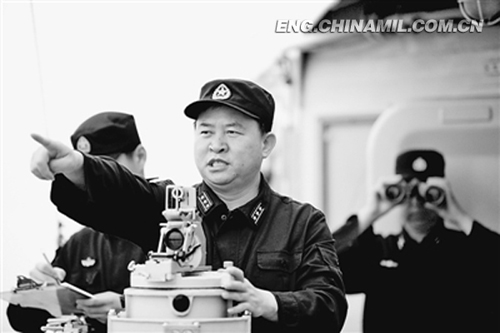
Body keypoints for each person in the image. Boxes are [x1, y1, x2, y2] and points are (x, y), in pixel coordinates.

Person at [28, 79, 348, 332]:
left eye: (233, 132)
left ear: (266, 144)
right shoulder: (167, 210)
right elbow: (122, 192)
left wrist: (269, 302)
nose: (216, 144)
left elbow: (330, 305)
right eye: (205, 131)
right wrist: (76, 165)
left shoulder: (301, 223)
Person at [8, 112, 154, 333]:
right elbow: (21, 320)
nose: (97, 177)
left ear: (140, 156)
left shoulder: (172, 233)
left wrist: (127, 307)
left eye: (106, 164)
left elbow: (198, 310)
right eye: (87, 169)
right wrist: (40, 292)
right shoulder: (80, 243)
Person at [332, 149, 500, 332]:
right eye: (409, 194)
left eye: (427, 194)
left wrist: (459, 215)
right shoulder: (378, 250)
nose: (416, 204)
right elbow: (321, 269)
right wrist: (370, 213)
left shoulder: (467, 250)